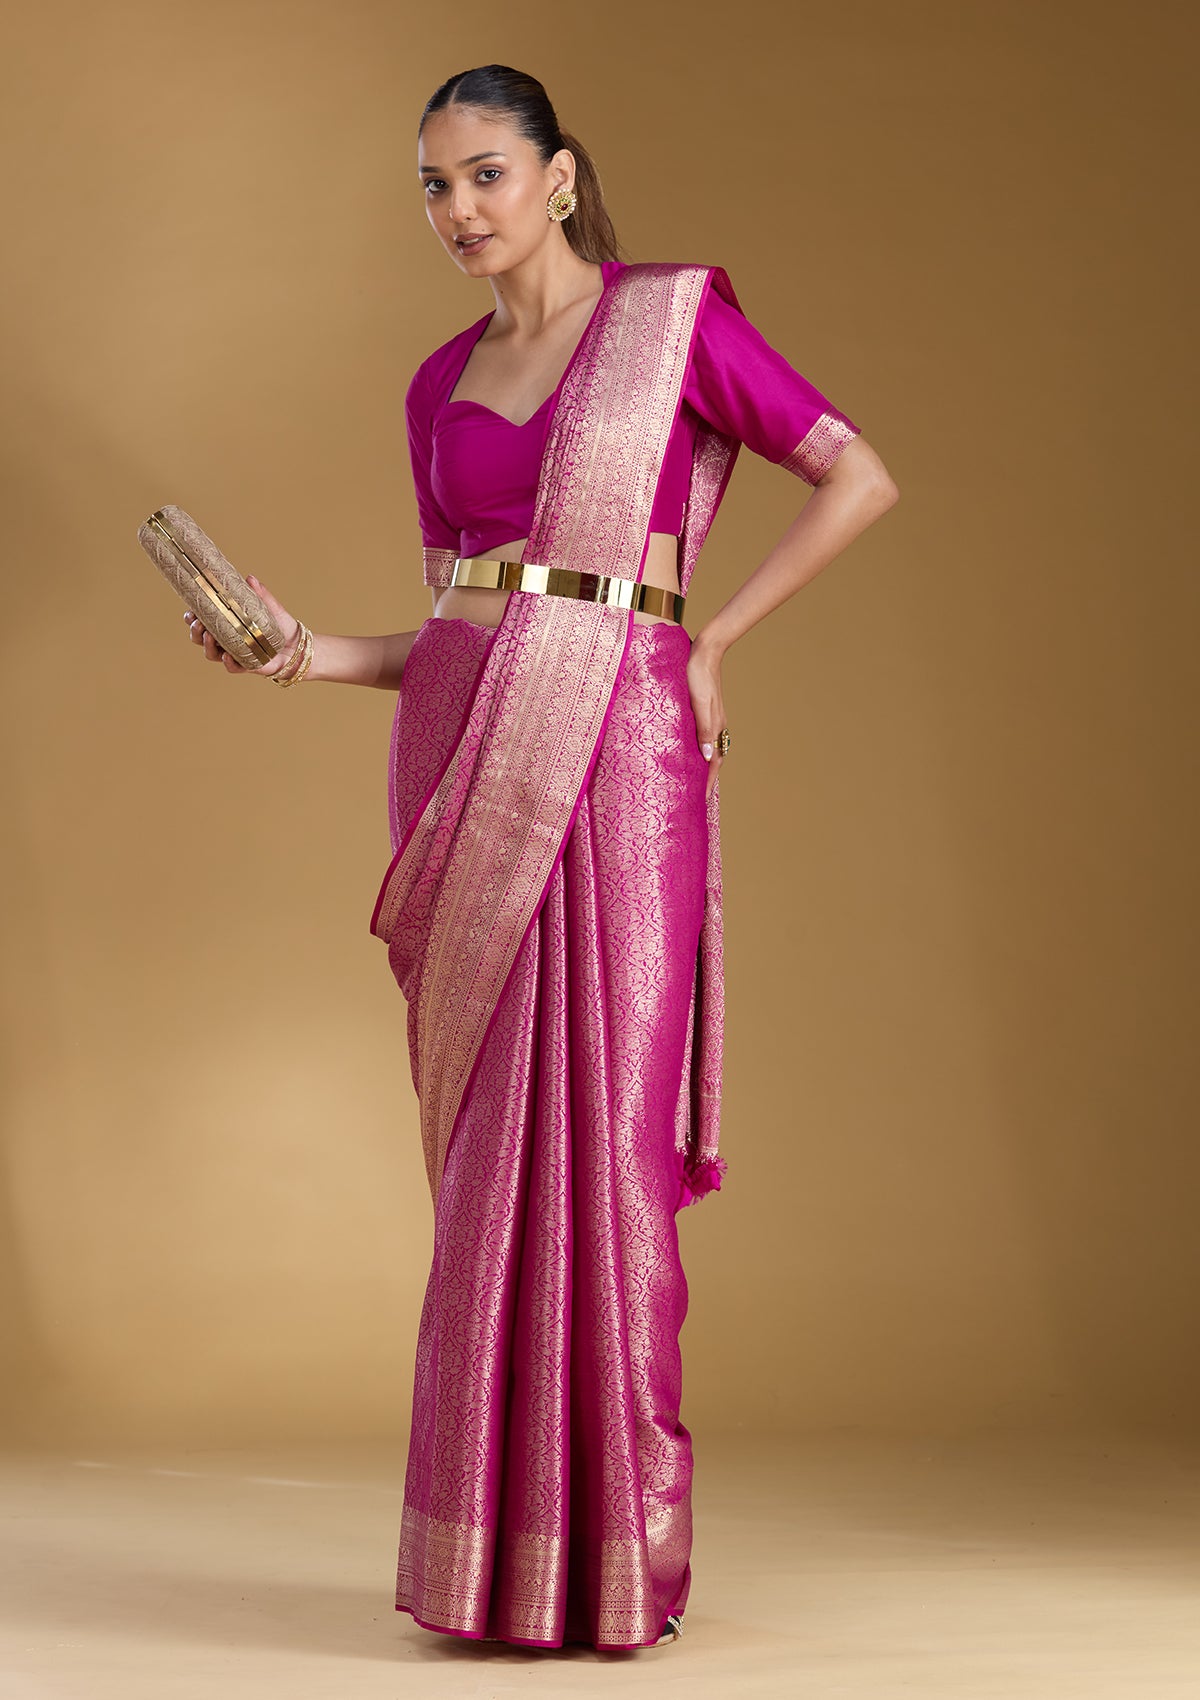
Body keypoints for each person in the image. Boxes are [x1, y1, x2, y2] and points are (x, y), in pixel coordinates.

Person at [183, 63, 899, 1652]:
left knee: (611, 1162)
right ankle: (484, 1572)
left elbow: (858, 475)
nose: (459, 209)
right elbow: (452, 627)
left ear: (560, 176)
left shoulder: (671, 326)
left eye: (487, 174)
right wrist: (298, 655)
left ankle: (615, 1566)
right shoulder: (437, 386)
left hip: (625, 753)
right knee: (489, 1172)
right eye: (434, 186)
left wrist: (715, 643)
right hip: (463, 766)